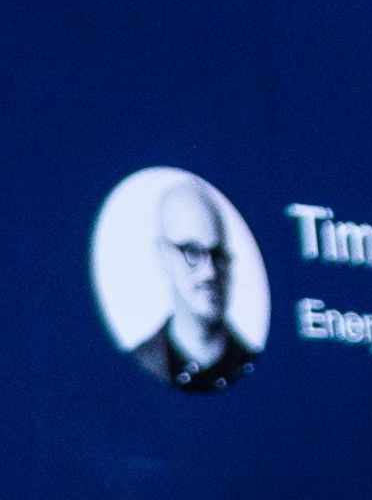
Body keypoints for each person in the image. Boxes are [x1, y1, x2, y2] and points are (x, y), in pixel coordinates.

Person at [107, 167, 264, 390]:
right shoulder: (130, 369)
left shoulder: (258, 369)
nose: (209, 272)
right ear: (162, 256)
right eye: (192, 252)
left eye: (217, 254)